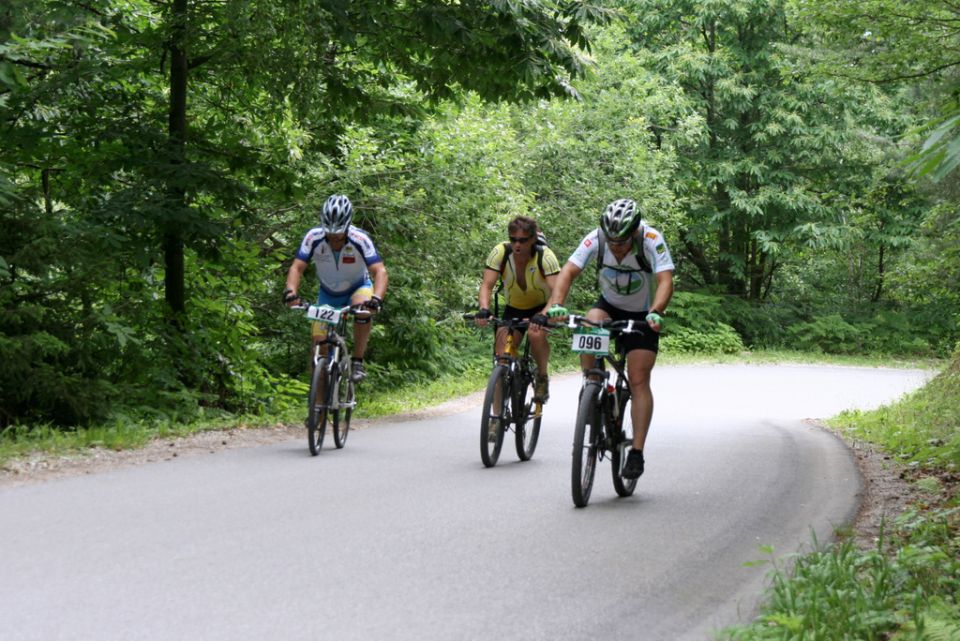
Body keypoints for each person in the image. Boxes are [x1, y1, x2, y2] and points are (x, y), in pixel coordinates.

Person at [544, 198, 674, 479]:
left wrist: (656, 312)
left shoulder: (651, 239)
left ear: (636, 231)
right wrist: (557, 303)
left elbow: (665, 280)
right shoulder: (597, 239)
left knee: (638, 379)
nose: (616, 246)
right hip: (609, 304)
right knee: (589, 321)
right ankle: (593, 385)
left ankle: (637, 452)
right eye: (612, 240)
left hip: (643, 313)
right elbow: (568, 271)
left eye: (622, 241)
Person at [284, 194, 388, 382]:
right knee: (318, 347)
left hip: (358, 286)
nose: (334, 237)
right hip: (328, 293)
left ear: (347, 225)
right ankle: (317, 409)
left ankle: (357, 361)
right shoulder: (313, 237)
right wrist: (291, 292)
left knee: (363, 310)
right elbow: (297, 267)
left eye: (338, 233)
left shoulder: (360, 239)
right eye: (329, 232)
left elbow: (379, 271)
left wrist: (377, 299)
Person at [475, 215, 561, 403]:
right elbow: (487, 285)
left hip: (542, 307)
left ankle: (542, 376)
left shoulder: (545, 256)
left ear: (533, 239)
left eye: (523, 240)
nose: (517, 245)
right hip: (514, 308)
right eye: (513, 239)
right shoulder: (501, 252)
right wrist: (484, 308)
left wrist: (543, 315)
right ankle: (495, 422)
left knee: (536, 334)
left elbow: (557, 293)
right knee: (501, 357)